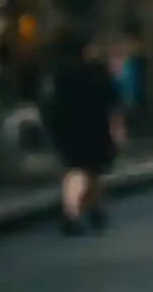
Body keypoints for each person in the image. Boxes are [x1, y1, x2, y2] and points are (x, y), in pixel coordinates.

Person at [46, 33, 126, 236]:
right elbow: (112, 101)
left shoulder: (60, 74)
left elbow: (52, 104)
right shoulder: (96, 71)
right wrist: (117, 128)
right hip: (94, 127)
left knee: (75, 169)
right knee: (93, 171)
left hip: (67, 128)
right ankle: (82, 211)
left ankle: (83, 210)